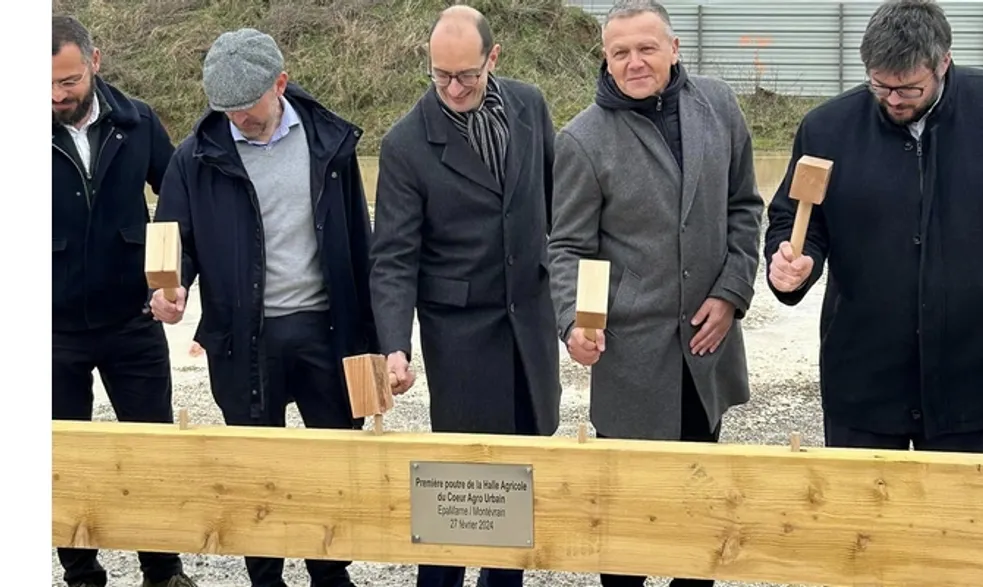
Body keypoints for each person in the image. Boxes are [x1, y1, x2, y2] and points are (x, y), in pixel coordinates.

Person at [764, 0, 983, 453]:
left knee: (963, 518)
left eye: (910, 89)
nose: (893, 100)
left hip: (978, 374)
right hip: (864, 379)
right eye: (879, 86)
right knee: (862, 519)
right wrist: (792, 262)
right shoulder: (827, 128)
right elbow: (796, 219)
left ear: (944, 62)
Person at [149, 28, 379, 587]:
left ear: (281, 83)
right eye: (225, 112)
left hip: (326, 330)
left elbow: (358, 240)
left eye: (247, 111)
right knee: (255, 470)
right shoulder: (194, 156)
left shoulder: (329, 144)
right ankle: (265, 576)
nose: (237, 122)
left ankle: (330, 572)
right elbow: (174, 239)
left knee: (331, 463)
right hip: (241, 339)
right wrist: (170, 287)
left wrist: (374, 337)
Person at [547, 1, 763, 585]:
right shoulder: (583, 139)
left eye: (647, 48)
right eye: (621, 52)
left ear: (674, 48)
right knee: (628, 534)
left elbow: (744, 207)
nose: (635, 62)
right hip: (632, 361)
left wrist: (733, 290)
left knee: (699, 523)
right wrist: (573, 322)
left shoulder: (718, 106)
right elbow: (566, 246)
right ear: (606, 59)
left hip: (706, 345)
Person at [369, 5, 561, 587]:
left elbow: (556, 207)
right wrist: (394, 345)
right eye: (440, 76)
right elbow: (394, 256)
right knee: (458, 492)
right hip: (460, 337)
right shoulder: (405, 144)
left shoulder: (530, 106)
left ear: (492, 59)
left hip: (528, 321)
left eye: (466, 76)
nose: (453, 88)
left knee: (519, 483)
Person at [51, 15, 198, 587]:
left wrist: (173, 274)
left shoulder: (137, 122)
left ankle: (163, 572)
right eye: (45, 84)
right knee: (63, 458)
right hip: (50, 330)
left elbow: (179, 195)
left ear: (95, 61)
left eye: (67, 81)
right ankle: (81, 572)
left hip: (131, 321)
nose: (56, 96)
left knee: (150, 451)